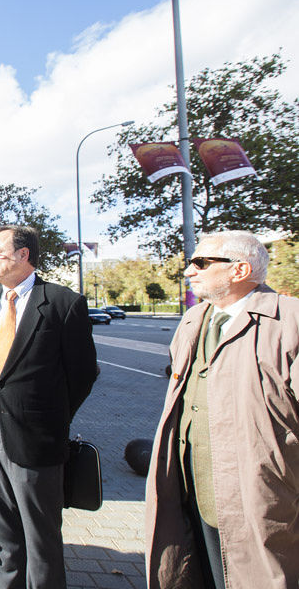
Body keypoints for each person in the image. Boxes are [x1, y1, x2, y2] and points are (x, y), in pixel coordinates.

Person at [145, 231, 299, 588]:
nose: (189, 271)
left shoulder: (288, 321)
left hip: (259, 495)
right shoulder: (193, 320)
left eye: (201, 262)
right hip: (189, 489)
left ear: (240, 269)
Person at [0, 225, 97, 588]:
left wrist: (49, 419)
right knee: (5, 541)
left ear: (23, 255)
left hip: (37, 443)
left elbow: (83, 374)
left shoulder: (62, 303)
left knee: (42, 543)